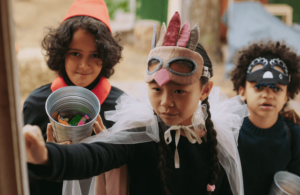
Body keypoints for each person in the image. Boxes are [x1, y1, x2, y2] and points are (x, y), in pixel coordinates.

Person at [24, 12, 248, 195]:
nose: (166, 102)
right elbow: (94, 156)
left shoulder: (217, 140)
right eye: (156, 89)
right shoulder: (139, 133)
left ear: (205, 90)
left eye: (179, 90)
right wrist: (45, 156)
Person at [22, 0, 128, 195]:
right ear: (61, 53)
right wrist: (46, 159)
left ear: (106, 55)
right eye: (75, 54)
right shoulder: (36, 105)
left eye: (94, 54)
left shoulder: (122, 107)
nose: (84, 65)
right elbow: (19, 175)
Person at [230, 41, 300, 195]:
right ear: (242, 91)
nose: (267, 94)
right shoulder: (230, 131)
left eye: (276, 88)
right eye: (258, 86)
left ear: (286, 96)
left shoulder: (294, 135)